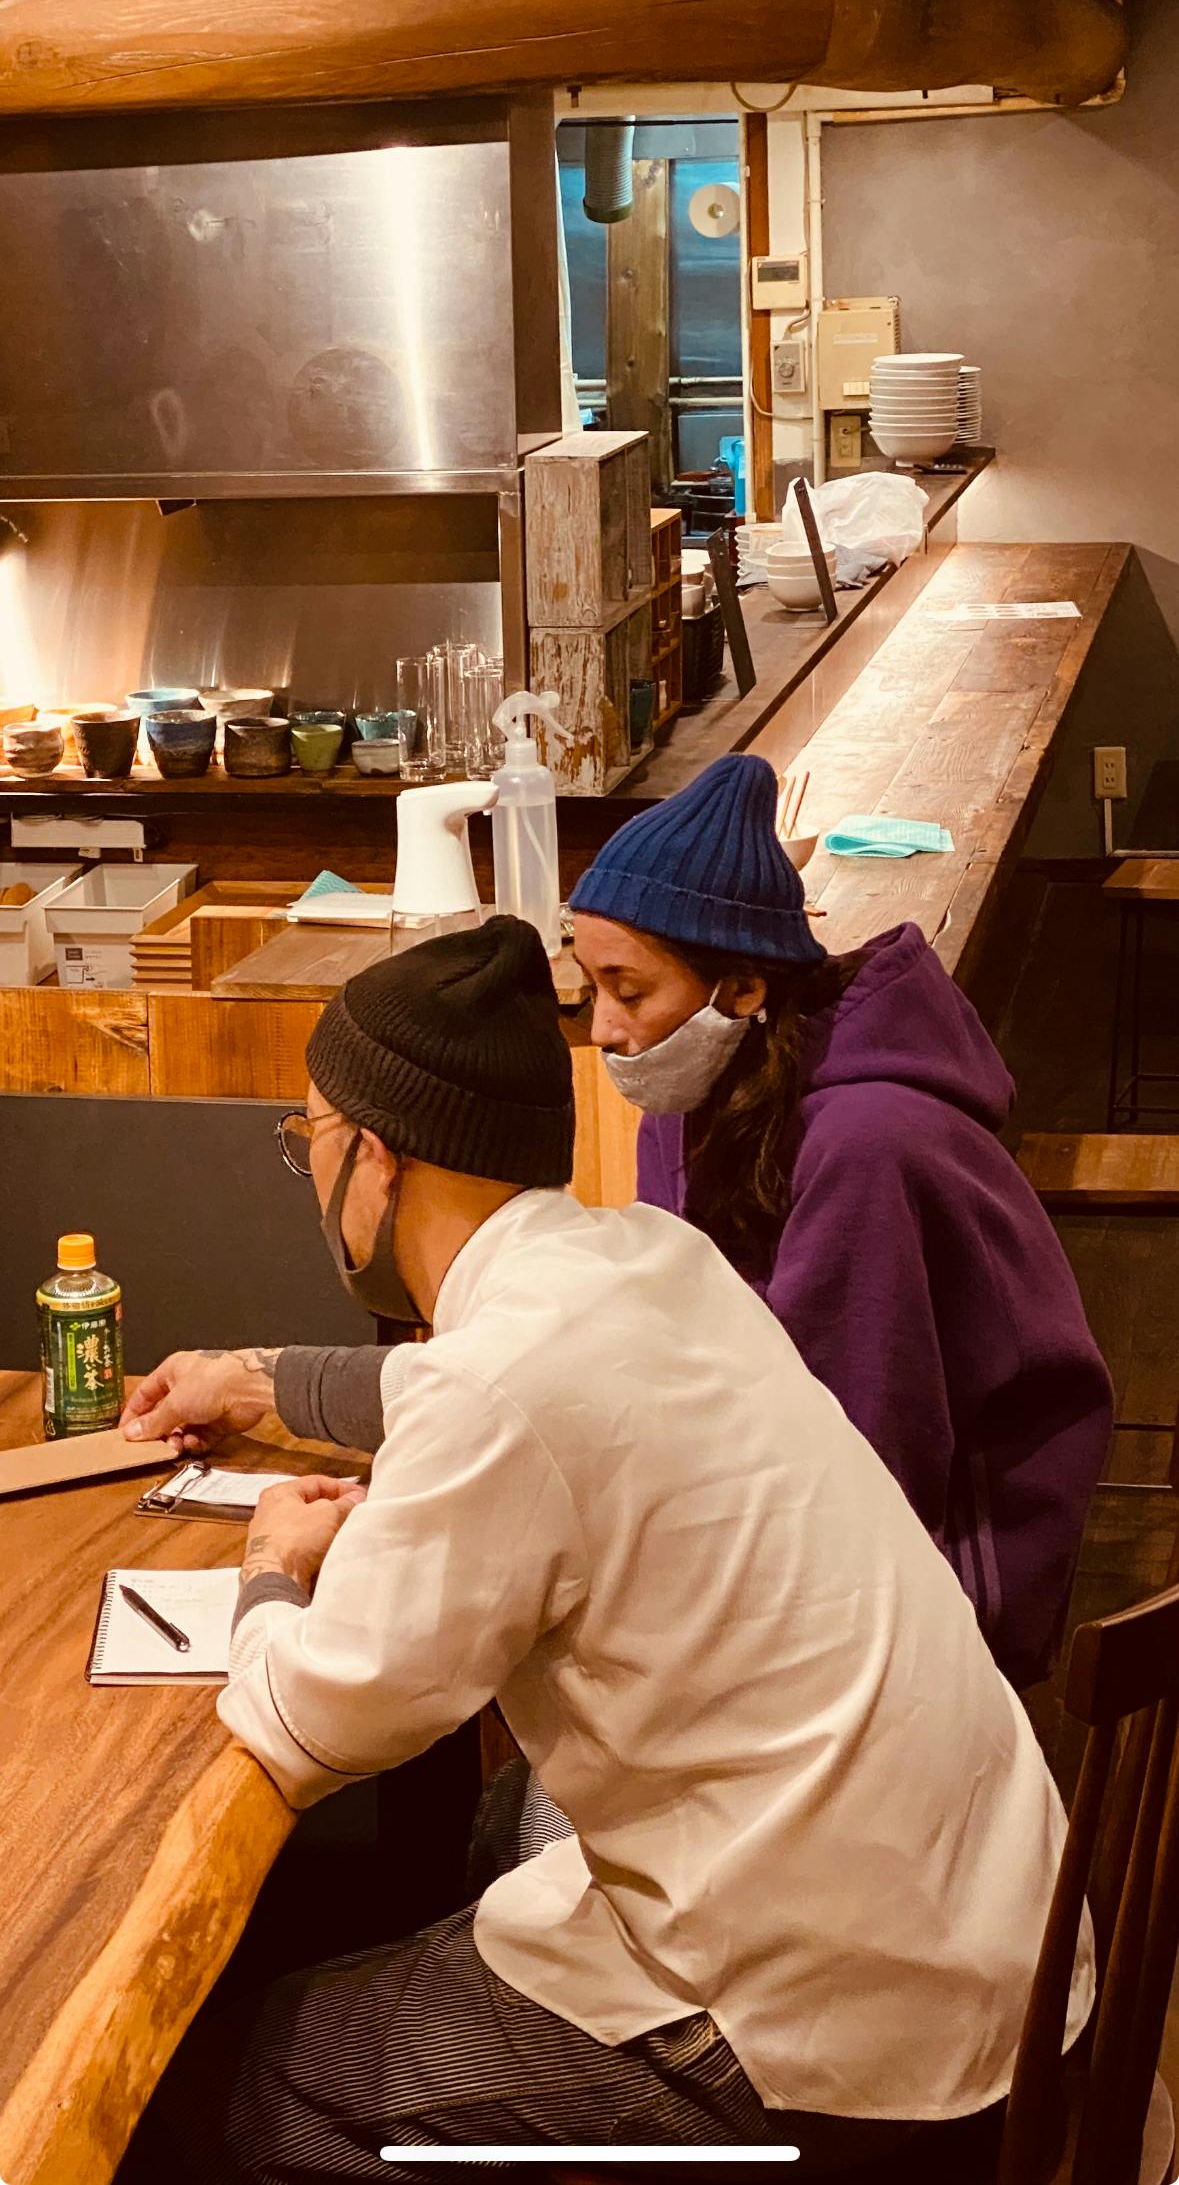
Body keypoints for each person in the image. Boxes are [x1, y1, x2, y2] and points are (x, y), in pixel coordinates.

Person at [118, 916, 1092, 2181]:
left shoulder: (496, 1386)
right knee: (491, 1845)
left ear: (377, 1159)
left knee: (228, 2089)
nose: (309, 1171)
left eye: (311, 1139)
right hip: (1014, 1958)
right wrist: (259, 1378)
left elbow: (314, 1722)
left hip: (853, 2050)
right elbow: (472, 1390)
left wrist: (271, 1570)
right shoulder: (658, 1262)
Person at [568, 752, 1112, 1691]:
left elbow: (866, 1450)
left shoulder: (867, 1145)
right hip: (807, 1501)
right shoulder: (692, 1098)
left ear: (743, 989)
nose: (603, 1030)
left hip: (943, 1568)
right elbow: (679, 1337)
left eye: (629, 989)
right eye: (589, 988)